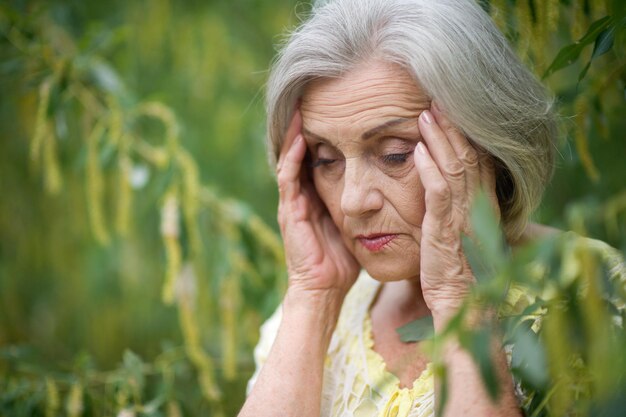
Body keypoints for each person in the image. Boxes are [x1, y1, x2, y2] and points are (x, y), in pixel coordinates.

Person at [240, 0, 559, 415]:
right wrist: (312, 294)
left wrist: (462, 298)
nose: (353, 201)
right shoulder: (299, 325)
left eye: (394, 155)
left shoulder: (591, 302)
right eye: (326, 159)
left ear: (485, 147)